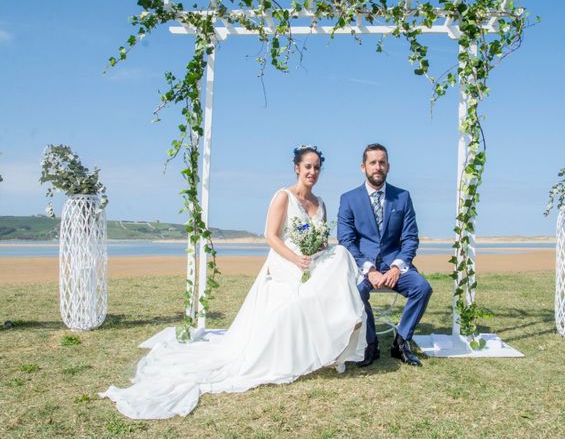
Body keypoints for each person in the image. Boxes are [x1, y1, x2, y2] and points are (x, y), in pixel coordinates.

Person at [101, 145, 366, 419]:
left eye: (317, 167)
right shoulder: (283, 196)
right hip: (286, 262)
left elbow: (321, 238)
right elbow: (271, 236)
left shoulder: (320, 203)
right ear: (297, 168)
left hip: (311, 260)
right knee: (299, 300)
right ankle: (318, 343)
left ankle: (345, 325)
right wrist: (296, 259)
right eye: (307, 166)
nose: (312, 172)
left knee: (341, 255)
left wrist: (318, 247)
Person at [338, 143, 432, 367]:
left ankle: (401, 342)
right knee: (357, 291)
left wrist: (397, 267)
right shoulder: (348, 199)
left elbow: (410, 238)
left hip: (395, 265)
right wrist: (369, 269)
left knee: (422, 288)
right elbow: (346, 240)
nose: (377, 167)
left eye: (382, 162)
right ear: (363, 167)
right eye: (373, 163)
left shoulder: (403, 197)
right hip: (364, 267)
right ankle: (371, 344)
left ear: (388, 166)